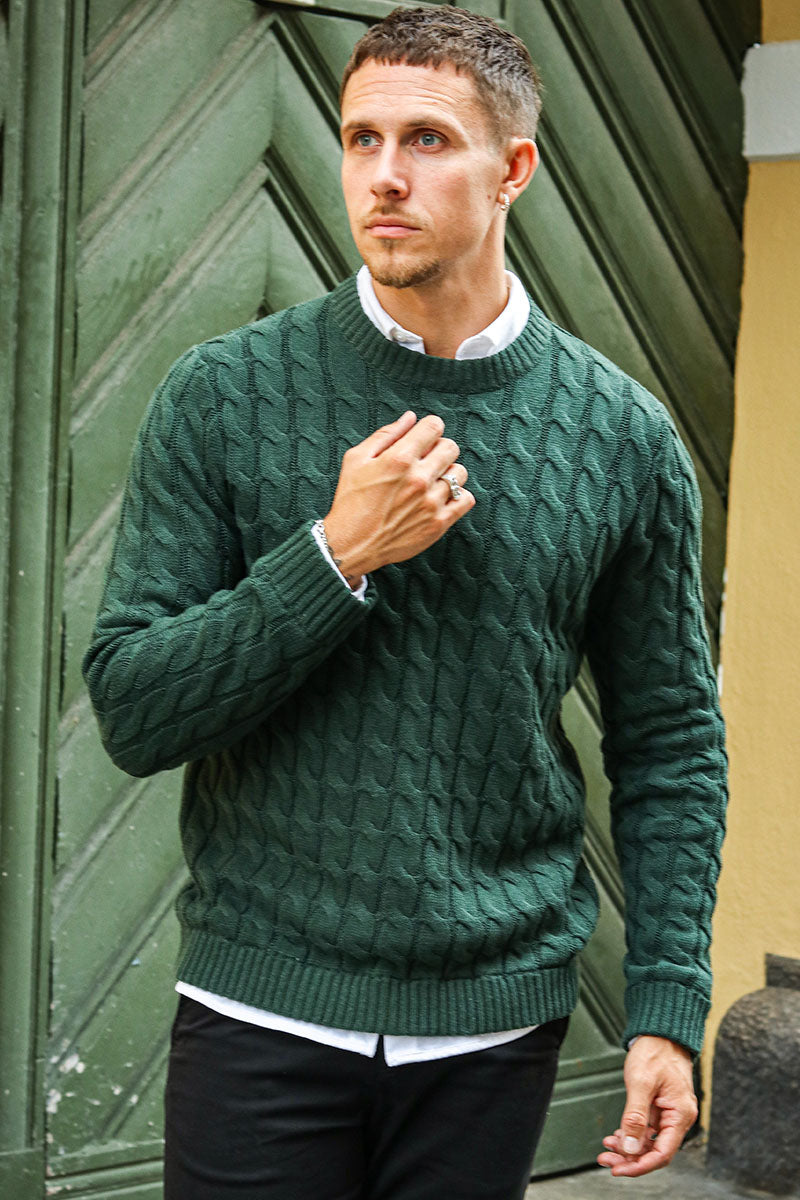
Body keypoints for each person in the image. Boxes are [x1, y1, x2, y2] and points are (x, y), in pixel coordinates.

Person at [82, 7, 727, 1198]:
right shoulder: (222, 395)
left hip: (492, 1030)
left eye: (426, 140)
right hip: (259, 1006)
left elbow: (670, 743)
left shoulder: (622, 437)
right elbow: (134, 710)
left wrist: (664, 1006)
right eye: (360, 138)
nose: (382, 176)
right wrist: (332, 558)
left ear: (511, 169)